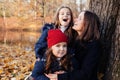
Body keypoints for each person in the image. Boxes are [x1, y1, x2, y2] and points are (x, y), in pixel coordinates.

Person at [46, 10, 101, 80]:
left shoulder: (94, 45)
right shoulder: (75, 40)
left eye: (80, 18)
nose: (75, 20)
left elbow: (86, 74)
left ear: (87, 24)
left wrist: (60, 77)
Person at [26, 5, 77, 80]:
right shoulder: (49, 29)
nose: (65, 15)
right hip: (49, 57)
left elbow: (73, 47)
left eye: (68, 14)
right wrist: (40, 56)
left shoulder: (73, 32)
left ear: (71, 17)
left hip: (65, 59)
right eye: (62, 14)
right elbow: (40, 44)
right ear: (58, 17)